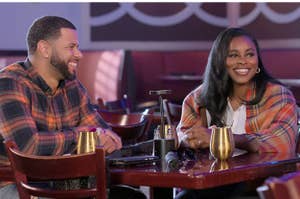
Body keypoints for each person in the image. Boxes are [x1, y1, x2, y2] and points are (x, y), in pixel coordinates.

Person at [0, 16, 146, 199]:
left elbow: (103, 133)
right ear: (44, 49)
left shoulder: (72, 85)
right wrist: (81, 135)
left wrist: (107, 139)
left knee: (133, 197)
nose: (79, 54)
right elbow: (28, 146)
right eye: (71, 47)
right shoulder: (10, 83)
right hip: (16, 185)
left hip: (66, 184)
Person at [175, 27, 298, 199]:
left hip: (257, 187)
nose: (243, 61)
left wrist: (221, 138)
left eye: (249, 54)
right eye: (233, 55)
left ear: (257, 61)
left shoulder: (278, 96)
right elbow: (183, 135)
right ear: (220, 61)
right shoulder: (197, 98)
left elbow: (282, 144)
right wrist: (187, 140)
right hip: (209, 183)